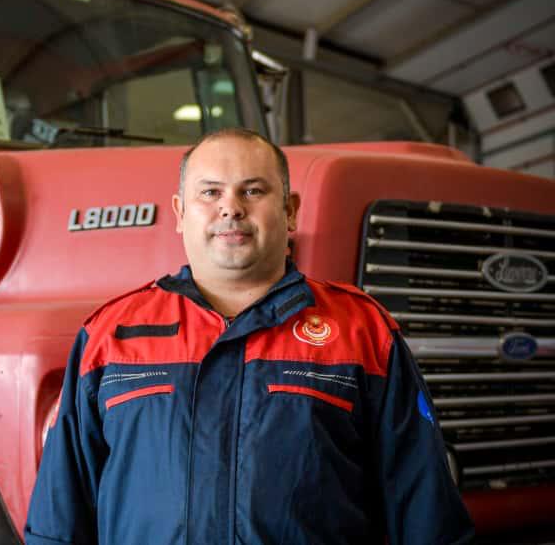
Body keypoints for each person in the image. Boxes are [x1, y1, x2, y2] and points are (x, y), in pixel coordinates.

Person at [24, 128, 474, 545]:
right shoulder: (108, 337)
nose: (231, 208)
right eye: (210, 192)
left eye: (253, 191)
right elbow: (60, 519)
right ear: (180, 212)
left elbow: (426, 514)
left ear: (290, 210)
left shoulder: (363, 332)